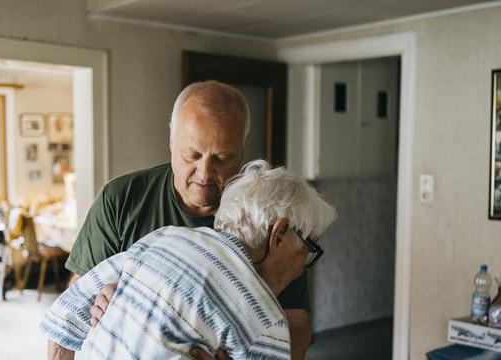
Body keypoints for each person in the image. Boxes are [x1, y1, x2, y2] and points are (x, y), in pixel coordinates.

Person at [50, 81, 313, 359]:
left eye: (223, 158)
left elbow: (297, 326)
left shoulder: (266, 214)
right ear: (172, 141)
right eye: (193, 155)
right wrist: (103, 298)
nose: (204, 173)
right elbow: (72, 307)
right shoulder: (122, 198)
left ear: (242, 150)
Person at [41, 160, 336, 359]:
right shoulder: (263, 319)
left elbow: (64, 312)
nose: (304, 263)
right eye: (309, 247)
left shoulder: (162, 238)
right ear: (280, 234)